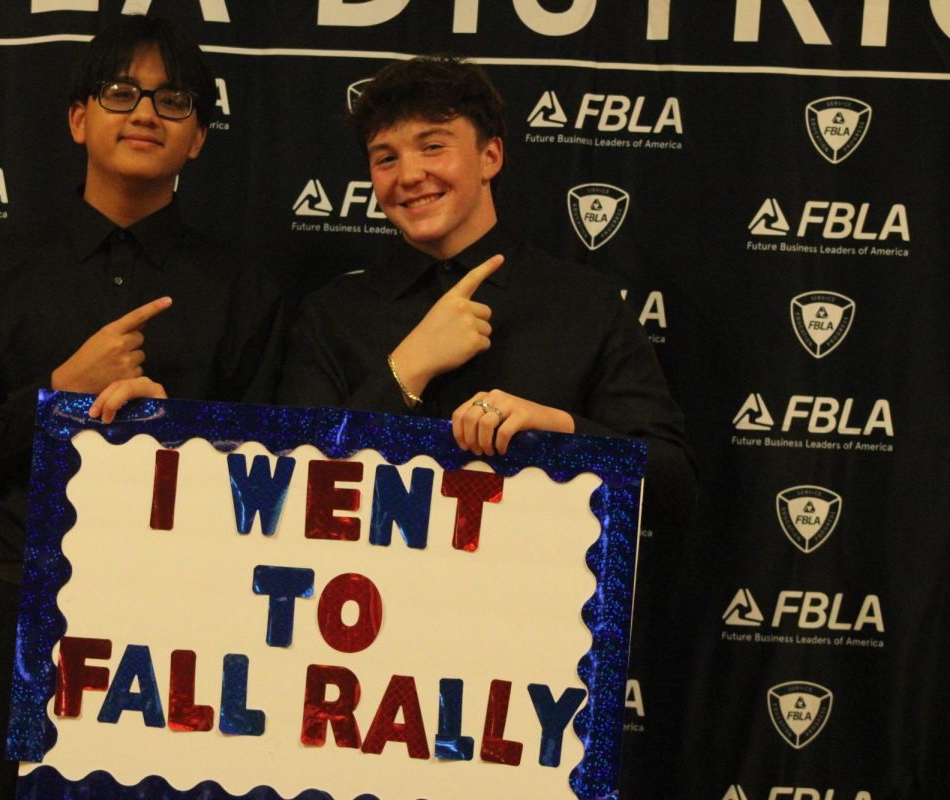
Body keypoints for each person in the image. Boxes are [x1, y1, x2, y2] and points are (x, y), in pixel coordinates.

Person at [0, 16, 284, 797]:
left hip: (186, 629)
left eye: (172, 100)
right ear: (80, 119)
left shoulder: (245, 287)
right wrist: (59, 398)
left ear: (200, 138)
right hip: (17, 614)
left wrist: (178, 435)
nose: (145, 113)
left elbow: (276, 480)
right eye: (121, 93)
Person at [276, 55, 695, 530]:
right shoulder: (332, 314)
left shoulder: (584, 303)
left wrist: (558, 431)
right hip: (370, 601)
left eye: (432, 146)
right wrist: (405, 372)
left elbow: (671, 485)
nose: (409, 174)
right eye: (386, 157)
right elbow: (288, 490)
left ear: (490, 156)